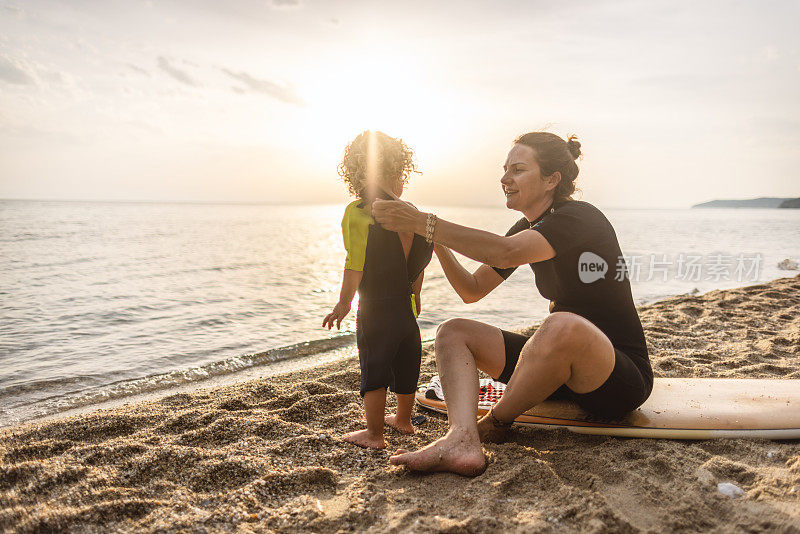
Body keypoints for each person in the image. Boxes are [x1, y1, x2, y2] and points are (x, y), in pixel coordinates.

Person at [371, 131, 652, 475]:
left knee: (561, 324)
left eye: (518, 169)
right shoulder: (528, 225)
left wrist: (423, 222)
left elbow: (506, 252)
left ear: (552, 179)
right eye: (505, 169)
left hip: (615, 377)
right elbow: (472, 289)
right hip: (557, 373)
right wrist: (434, 240)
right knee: (452, 332)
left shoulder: (579, 218)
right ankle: (462, 438)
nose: (505, 179)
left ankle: (495, 423)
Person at [323, 130, 433, 449]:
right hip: (405, 306)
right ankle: (403, 419)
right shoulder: (412, 213)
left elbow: (354, 262)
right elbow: (419, 261)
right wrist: (417, 295)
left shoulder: (358, 213)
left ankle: (374, 434)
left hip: (374, 308)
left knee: (374, 363)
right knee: (407, 359)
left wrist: (344, 304)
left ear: (355, 172)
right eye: (401, 176)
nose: (402, 184)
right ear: (397, 171)